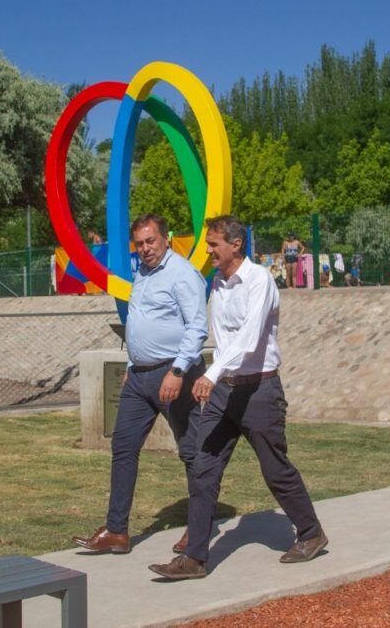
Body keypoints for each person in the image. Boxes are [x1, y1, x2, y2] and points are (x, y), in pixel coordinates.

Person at [149, 215, 326, 580]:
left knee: (275, 469)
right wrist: (214, 377)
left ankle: (311, 533)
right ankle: (195, 559)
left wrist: (211, 374)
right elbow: (224, 339)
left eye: (214, 244)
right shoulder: (219, 282)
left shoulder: (259, 279)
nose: (209, 251)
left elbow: (248, 338)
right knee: (203, 468)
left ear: (236, 245)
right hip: (224, 390)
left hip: (260, 390)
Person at [72, 214, 208, 555]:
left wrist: (177, 372)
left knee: (191, 451)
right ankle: (116, 531)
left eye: (151, 241)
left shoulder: (183, 274)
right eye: (140, 243)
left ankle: (199, 528)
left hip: (174, 374)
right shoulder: (142, 274)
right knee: (123, 446)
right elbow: (139, 324)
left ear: (166, 238)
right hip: (140, 377)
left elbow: (197, 328)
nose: (145, 248)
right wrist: (133, 365)